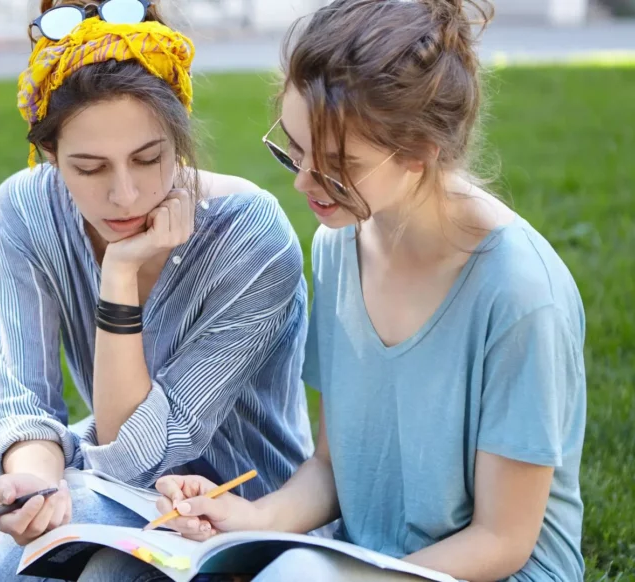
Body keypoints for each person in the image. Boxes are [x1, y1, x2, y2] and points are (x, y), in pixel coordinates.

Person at [80, 0, 587, 581]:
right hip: (361, 555)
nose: (301, 182)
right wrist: (247, 517)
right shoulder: (339, 245)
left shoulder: (521, 295)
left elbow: (502, 541)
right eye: (294, 148)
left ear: (420, 156)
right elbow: (333, 467)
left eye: (336, 165)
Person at [0, 1, 317, 580]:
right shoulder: (24, 209)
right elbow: (24, 401)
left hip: (237, 510)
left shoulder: (249, 234)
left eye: (149, 159)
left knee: (77, 534)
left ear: (180, 139)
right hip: (111, 480)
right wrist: (37, 478)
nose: (124, 195)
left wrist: (119, 276)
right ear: (49, 156)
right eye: (89, 169)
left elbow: (134, 451)